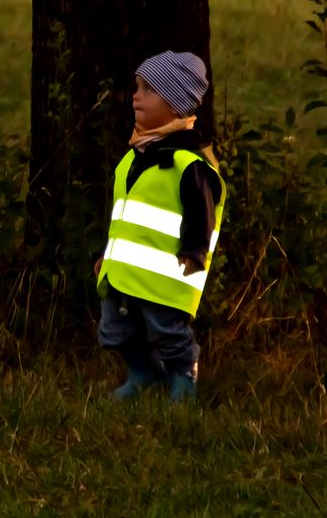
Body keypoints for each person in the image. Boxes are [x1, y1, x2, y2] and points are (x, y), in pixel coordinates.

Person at [93, 50, 226, 403]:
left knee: (167, 332)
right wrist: (105, 255)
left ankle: (183, 377)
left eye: (148, 89)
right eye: (137, 87)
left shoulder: (187, 163)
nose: (136, 95)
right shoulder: (133, 157)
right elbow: (122, 217)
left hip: (168, 275)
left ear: (175, 102)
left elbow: (203, 212)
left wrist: (195, 252)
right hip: (123, 273)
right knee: (114, 330)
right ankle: (142, 374)